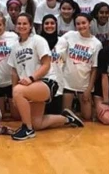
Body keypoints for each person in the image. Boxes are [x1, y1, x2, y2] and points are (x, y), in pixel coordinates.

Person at [9, 13, 84, 141]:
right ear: (15, 26)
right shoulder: (15, 47)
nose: (21, 26)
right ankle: (67, 119)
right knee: (37, 123)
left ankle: (27, 129)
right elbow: (14, 72)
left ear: (31, 25)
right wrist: (13, 94)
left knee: (19, 90)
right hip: (30, 86)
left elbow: (46, 65)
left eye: (25, 23)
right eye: (19, 24)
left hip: (46, 82)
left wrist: (31, 79)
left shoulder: (38, 40)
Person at [55, 13, 103, 121]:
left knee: (87, 116)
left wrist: (89, 89)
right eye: (78, 24)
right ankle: (74, 107)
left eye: (83, 23)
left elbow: (94, 68)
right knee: (65, 114)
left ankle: (80, 104)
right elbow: (57, 47)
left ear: (89, 24)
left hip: (84, 85)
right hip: (68, 82)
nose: (81, 26)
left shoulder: (96, 43)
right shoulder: (69, 35)